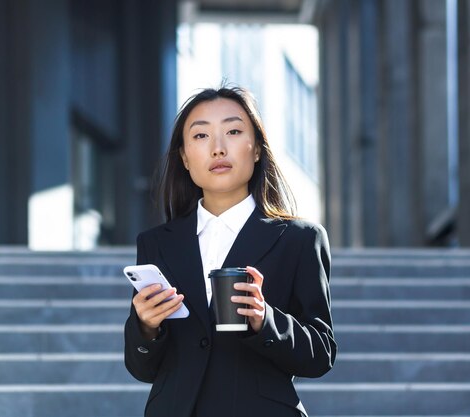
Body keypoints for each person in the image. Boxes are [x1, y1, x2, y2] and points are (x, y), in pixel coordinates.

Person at [124, 85, 336, 417]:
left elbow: (321, 354)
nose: (218, 148)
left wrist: (265, 319)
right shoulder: (156, 244)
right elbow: (143, 368)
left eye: (233, 131)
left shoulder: (300, 239)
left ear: (255, 150)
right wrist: (146, 326)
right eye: (200, 136)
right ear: (184, 157)